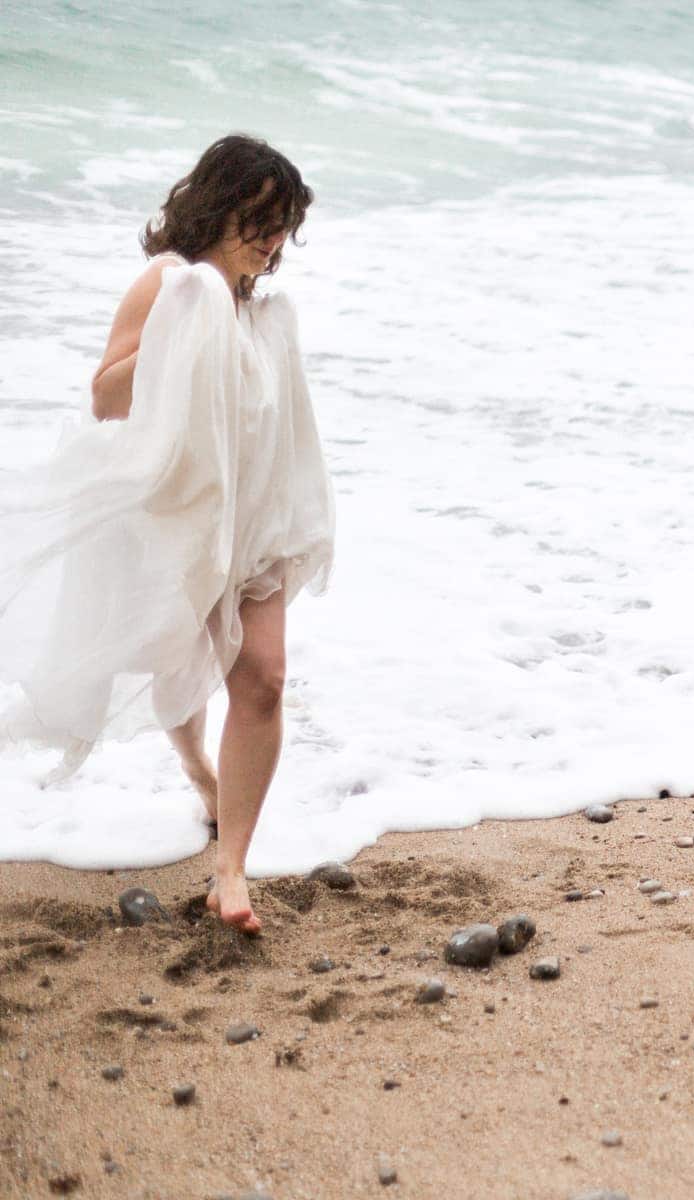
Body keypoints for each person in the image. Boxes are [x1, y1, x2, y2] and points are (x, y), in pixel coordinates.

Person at [0, 134, 335, 934]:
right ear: (217, 205)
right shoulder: (171, 282)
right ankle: (197, 769)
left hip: (255, 520)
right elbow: (107, 397)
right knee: (175, 661)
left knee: (264, 676)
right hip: (170, 518)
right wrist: (181, 330)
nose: (269, 236)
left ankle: (231, 870)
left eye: (282, 223)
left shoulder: (266, 312)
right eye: (257, 216)